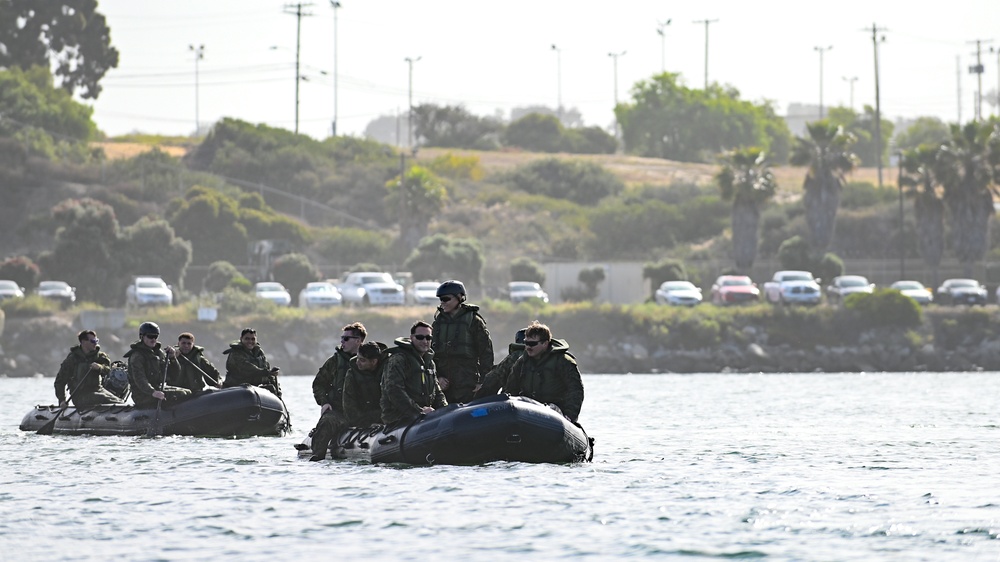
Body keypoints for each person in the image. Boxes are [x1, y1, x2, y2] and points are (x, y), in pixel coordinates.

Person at [503, 320, 584, 423]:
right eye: (526, 343)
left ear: (545, 343)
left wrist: (569, 415)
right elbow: (511, 389)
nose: (528, 347)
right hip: (527, 410)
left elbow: (575, 390)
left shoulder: (563, 361)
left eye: (532, 344)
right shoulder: (521, 362)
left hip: (555, 412)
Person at [308, 322, 366, 461]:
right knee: (327, 422)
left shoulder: (370, 359)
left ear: (358, 341)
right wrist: (324, 402)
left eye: (346, 339)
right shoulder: (334, 362)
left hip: (364, 411)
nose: (342, 341)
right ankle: (317, 455)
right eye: (341, 338)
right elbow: (319, 384)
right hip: (340, 411)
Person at [431, 279, 494, 405]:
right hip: (443, 382)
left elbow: (486, 353)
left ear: (459, 298)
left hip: (467, 381)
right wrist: (437, 378)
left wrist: (482, 381)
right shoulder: (438, 323)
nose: (443, 303)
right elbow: (430, 354)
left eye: (446, 299)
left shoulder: (474, 321)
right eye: (441, 300)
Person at [380, 321, 447, 426]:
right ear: (411, 338)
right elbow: (394, 390)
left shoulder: (429, 363)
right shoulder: (398, 359)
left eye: (428, 338)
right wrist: (418, 411)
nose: (425, 341)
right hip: (398, 417)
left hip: (424, 416)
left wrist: (446, 410)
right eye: (420, 337)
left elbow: (437, 392)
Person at [124, 321, 191, 409]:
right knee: (181, 394)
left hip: (157, 388)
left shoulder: (159, 353)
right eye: (150, 336)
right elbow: (140, 379)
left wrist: (173, 358)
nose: (153, 339)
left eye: (155, 336)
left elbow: (174, 375)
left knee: (188, 392)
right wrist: (153, 392)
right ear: (142, 336)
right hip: (142, 395)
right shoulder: (137, 356)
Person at [54, 330, 122, 407]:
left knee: (119, 401)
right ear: (83, 342)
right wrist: (62, 400)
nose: (95, 343)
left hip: (99, 390)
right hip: (80, 395)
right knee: (103, 399)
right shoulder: (72, 359)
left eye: (96, 340)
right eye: (93, 341)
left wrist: (100, 367)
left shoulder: (99, 356)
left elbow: (108, 370)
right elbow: (60, 381)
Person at [222, 327, 282, 397]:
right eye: (247, 339)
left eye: (253, 339)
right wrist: (267, 373)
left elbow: (268, 372)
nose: (250, 341)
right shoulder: (235, 353)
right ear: (241, 338)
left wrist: (278, 391)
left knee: (271, 387)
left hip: (255, 391)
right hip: (236, 390)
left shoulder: (259, 353)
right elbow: (247, 368)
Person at [343, 340, 388, 427]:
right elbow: (349, 406)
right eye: (357, 358)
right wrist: (367, 424)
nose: (357, 362)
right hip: (364, 416)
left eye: (362, 360)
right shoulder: (352, 374)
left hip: (386, 414)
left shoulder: (388, 369)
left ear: (374, 362)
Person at [473, 328, 526, 399]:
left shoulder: (514, 357)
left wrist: (477, 399)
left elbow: (492, 380)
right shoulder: (544, 356)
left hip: (516, 400)